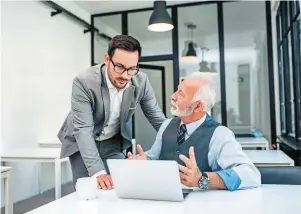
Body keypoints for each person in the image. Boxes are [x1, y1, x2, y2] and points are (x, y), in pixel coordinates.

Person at [58, 35, 166, 190]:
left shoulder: (141, 81)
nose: (125, 75)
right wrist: (98, 172)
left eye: (131, 69)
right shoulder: (84, 82)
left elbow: (157, 118)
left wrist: (179, 142)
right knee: (89, 191)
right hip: (82, 142)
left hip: (112, 143)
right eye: (120, 67)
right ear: (107, 59)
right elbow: (83, 130)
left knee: (119, 187)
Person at [128, 72, 261, 191]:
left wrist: (202, 179)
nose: (172, 96)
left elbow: (251, 175)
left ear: (198, 106)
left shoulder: (219, 135)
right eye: (177, 90)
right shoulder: (166, 125)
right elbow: (154, 157)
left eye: (181, 94)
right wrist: (143, 160)